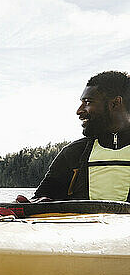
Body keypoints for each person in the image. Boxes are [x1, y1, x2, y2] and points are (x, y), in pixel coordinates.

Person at [21, 71, 130, 203]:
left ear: (115, 103)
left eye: (88, 102)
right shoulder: (73, 153)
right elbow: (40, 199)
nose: (79, 111)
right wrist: (31, 205)